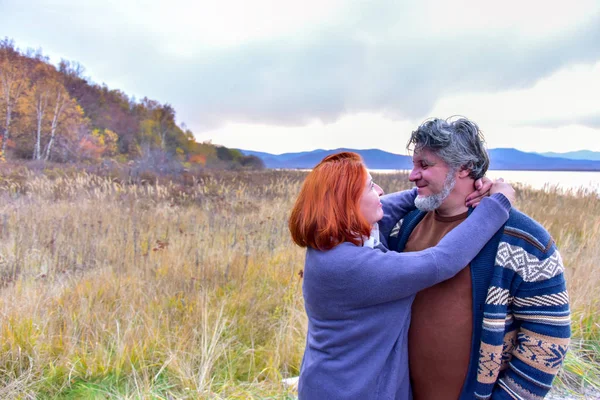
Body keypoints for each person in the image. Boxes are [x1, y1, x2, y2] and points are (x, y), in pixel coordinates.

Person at [289, 151, 515, 400]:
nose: (381, 191)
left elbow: (386, 207)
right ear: (348, 203)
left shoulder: (340, 239)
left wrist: (438, 189)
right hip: (349, 392)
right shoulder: (347, 265)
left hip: (335, 384)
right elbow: (442, 261)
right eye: (370, 186)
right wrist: (499, 203)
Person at [383, 117, 570, 400]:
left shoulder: (523, 239)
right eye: (413, 164)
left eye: (424, 165)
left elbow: (547, 338)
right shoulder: (403, 227)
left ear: (464, 168)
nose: (412, 175)